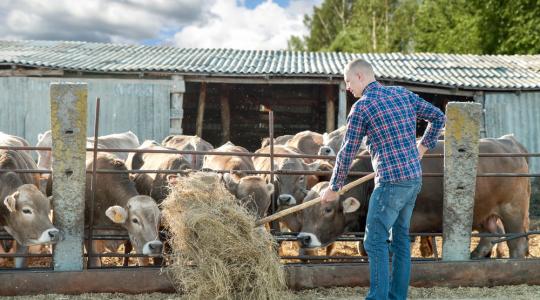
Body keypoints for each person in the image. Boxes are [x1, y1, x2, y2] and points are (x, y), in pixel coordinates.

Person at [320, 58, 445, 300]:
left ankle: (377, 297)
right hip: (412, 179)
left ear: (359, 76)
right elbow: (438, 117)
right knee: (400, 240)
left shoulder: (362, 107)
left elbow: (347, 151)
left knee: (374, 241)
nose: (347, 88)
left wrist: (334, 187)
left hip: (390, 183)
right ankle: (396, 297)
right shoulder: (402, 94)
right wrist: (422, 148)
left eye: (348, 82)